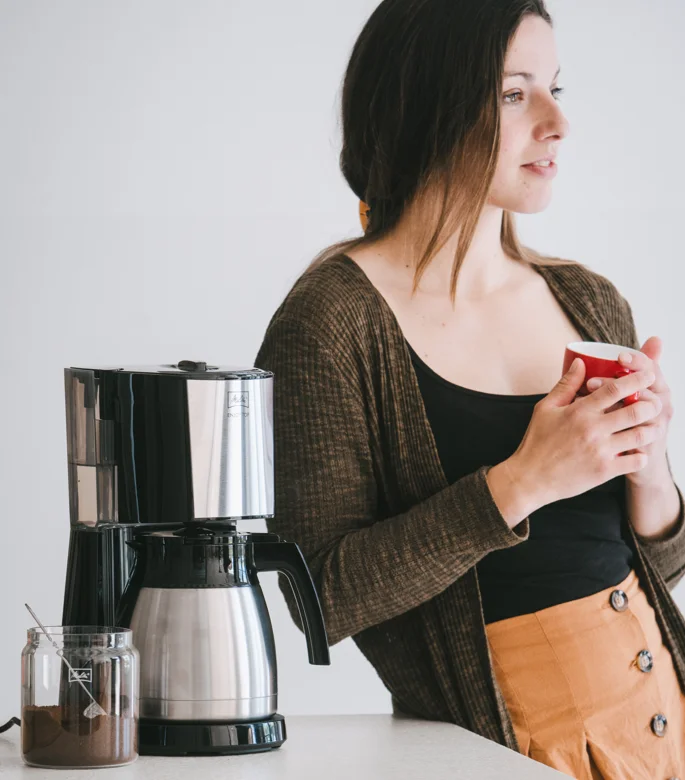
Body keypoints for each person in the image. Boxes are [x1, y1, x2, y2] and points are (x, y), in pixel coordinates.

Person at [254, 1, 685, 777]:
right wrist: (520, 484)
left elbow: (662, 563)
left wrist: (647, 465)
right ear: (424, 103)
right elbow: (319, 596)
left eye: (555, 87)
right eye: (513, 93)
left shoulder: (588, 300)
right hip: (507, 753)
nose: (556, 122)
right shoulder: (330, 323)